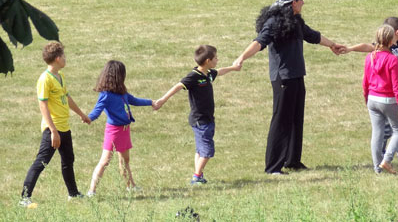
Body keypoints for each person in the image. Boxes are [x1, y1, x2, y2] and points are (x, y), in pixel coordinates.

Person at [232, 0, 345, 174]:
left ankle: (292, 160)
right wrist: (241, 57)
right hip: (282, 78)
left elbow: (313, 36)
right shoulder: (274, 22)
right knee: (281, 120)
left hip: (297, 76)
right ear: (294, 2)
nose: (303, 2)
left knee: (295, 119)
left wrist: (332, 45)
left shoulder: (295, 20)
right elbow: (259, 41)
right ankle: (273, 166)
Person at [344, 16, 398, 159]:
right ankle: (384, 149)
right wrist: (349, 49)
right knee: (387, 124)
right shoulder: (383, 47)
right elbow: (366, 46)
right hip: (390, 90)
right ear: (396, 32)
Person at [20, 42, 91, 208]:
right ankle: (24, 198)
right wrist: (53, 131)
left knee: (68, 160)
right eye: (64, 56)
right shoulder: (45, 79)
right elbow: (43, 105)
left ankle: (73, 194)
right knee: (41, 162)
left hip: (64, 127)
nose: (65, 59)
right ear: (58, 58)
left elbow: (67, 98)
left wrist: (81, 114)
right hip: (53, 129)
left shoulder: (60, 77)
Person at [157, 45, 238, 185]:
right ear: (207, 60)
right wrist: (162, 100)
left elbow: (219, 72)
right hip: (200, 120)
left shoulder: (208, 73)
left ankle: (198, 176)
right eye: (215, 58)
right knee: (207, 151)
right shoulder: (194, 76)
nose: (217, 60)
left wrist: (233, 68)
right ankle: (196, 176)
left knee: (200, 150)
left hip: (207, 118)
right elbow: (178, 86)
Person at [87, 60, 157, 195]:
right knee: (105, 161)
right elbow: (97, 110)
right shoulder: (106, 95)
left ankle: (130, 186)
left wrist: (151, 102)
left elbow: (134, 100)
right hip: (113, 132)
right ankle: (92, 190)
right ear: (117, 76)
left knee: (125, 160)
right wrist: (89, 118)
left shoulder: (121, 92)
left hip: (125, 130)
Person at [362, 24, 398, 174]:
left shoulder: (370, 57)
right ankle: (386, 160)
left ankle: (377, 167)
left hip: (372, 99)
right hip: (387, 100)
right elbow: (397, 86)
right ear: (390, 41)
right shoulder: (392, 59)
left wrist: (366, 99)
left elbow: (365, 81)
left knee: (377, 132)